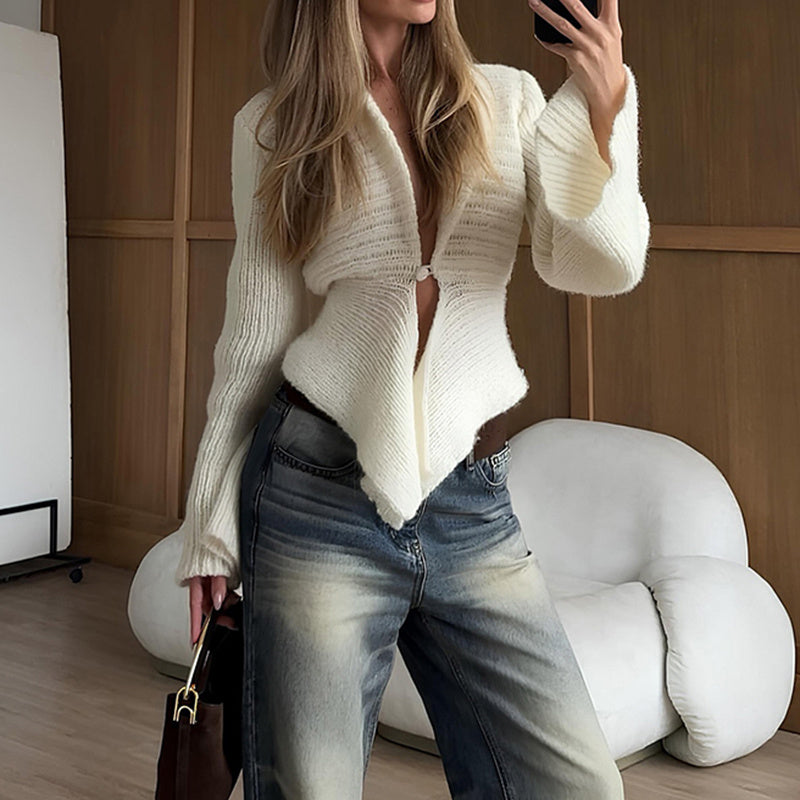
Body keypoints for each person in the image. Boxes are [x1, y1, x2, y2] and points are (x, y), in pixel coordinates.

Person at [174, 0, 649, 796]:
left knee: (579, 785)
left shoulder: (505, 99)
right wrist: (210, 529)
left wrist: (605, 110)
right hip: (313, 496)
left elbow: (596, 264)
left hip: (469, 506)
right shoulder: (272, 127)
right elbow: (253, 341)